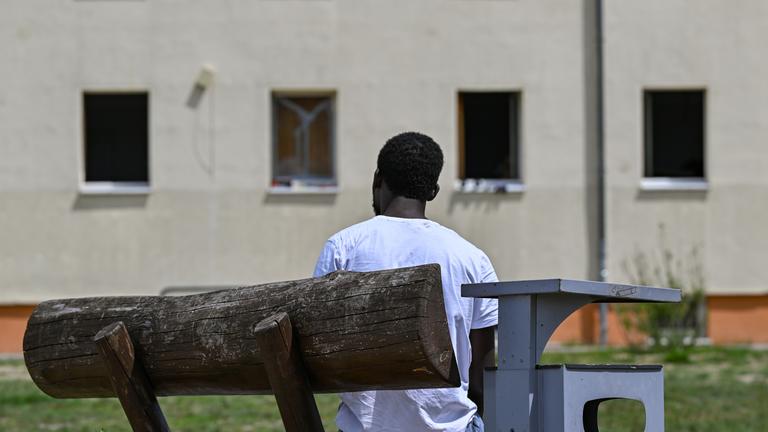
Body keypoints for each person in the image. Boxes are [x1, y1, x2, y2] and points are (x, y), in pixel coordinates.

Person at [313, 132, 498, 432]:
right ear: (434, 191)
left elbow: (317, 350)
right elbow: (481, 378)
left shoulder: (343, 248)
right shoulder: (472, 259)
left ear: (377, 180)